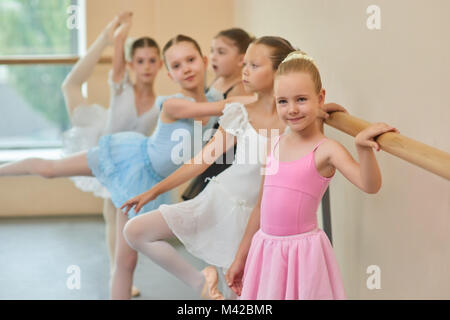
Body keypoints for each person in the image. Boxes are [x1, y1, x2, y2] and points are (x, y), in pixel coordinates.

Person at [0, 34, 242, 299]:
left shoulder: (212, 97)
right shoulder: (173, 103)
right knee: (50, 169)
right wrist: (258, 100)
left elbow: (228, 87)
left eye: (191, 60)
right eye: (176, 65)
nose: (185, 68)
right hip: (130, 162)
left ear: (204, 61)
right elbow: (222, 105)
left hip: (151, 182)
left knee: (126, 261)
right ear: (170, 75)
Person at [120, 37, 346, 300]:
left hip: (255, 222)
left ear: (278, 71)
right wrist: (153, 191)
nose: (245, 71)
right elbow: (203, 159)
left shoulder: (294, 121)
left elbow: (309, 135)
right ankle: (199, 281)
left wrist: (320, 109)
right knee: (135, 231)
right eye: (245, 63)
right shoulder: (239, 109)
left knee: (238, 295)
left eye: (254, 65)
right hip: (217, 200)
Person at [225, 51, 399, 300]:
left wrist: (362, 147)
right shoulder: (274, 143)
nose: (292, 109)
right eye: (283, 101)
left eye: (302, 99)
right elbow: (261, 206)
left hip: (302, 256)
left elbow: (370, 185)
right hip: (265, 250)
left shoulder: (326, 150)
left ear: (320, 98)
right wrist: (241, 256)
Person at [61, 11, 165, 297]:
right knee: (113, 215)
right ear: (131, 64)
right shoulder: (121, 87)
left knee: (121, 219)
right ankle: (117, 273)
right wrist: (119, 33)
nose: (146, 66)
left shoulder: (160, 104)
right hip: (105, 152)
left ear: (160, 64)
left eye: (152, 60)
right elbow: (117, 63)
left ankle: (120, 273)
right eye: (140, 60)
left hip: (129, 164)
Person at [181, 28, 254, 201]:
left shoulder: (238, 89)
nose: (213, 56)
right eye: (212, 50)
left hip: (225, 158)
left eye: (221, 52)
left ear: (241, 59)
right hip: (210, 149)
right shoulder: (218, 80)